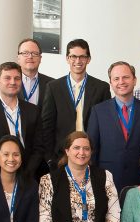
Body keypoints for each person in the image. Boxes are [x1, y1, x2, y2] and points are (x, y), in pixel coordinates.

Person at [87, 61, 140, 189]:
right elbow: (92, 151)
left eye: (126, 77)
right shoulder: (98, 111)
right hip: (106, 182)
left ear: (134, 80)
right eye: (116, 78)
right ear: (111, 83)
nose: (121, 82)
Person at [38, 38, 111, 168]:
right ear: (67, 58)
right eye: (73, 56)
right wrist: (50, 158)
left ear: (88, 59)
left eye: (82, 56)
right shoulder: (54, 87)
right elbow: (47, 125)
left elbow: (105, 127)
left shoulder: (101, 88)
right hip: (62, 157)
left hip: (90, 156)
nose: (78, 61)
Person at [0, 62, 41, 179]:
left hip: (27, 176)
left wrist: (27, 173)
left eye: (17, 78)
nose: (13, 82)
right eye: (7, 78)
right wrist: (1, 175)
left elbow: (39, 147)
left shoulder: (33, 111)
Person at [0, 38, 54, 108]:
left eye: (35, 53)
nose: (30, 56)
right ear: (18, 58)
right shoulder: (3, 83)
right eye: (25, 53)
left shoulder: (52, 84)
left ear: (40, 58)